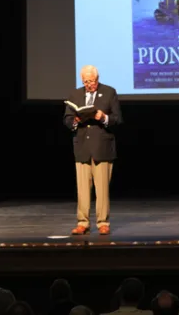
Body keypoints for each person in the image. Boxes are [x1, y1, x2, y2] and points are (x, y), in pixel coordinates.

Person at [63, 65, 123, 235]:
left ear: (98, 78)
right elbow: (66, 119)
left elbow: (118, 119)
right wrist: (74, 120)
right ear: (82, 80)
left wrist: (103, 117)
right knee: (82, 188)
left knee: (102, 188)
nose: (90, 84)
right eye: (87, 82)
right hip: (82, 146)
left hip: (102, 146)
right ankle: (83, 222)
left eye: (93, 81)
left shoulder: (109, 92)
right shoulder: (75, 95)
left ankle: (103, 222)